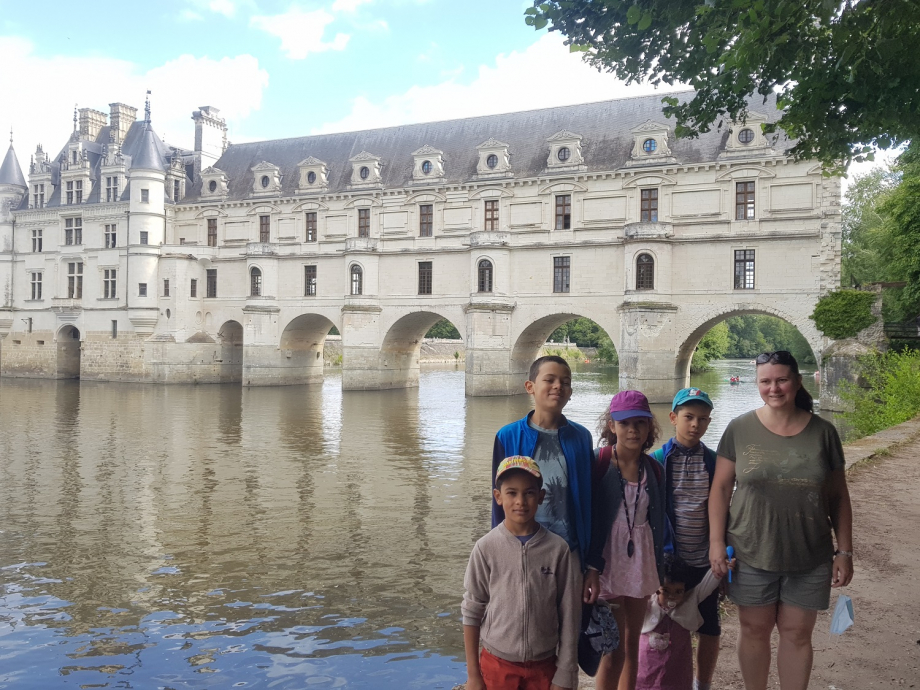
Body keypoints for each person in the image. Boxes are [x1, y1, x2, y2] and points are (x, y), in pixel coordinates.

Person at [709, 350, 854, 690]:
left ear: (797, 382)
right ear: (757, 383)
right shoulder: (739, 428)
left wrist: (844, 552)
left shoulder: (824, 433)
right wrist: (717, 543)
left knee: (797, 635)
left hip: (810, 553)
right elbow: (720, 488)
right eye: (765, 381)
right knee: (754, 631)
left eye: (781, 380)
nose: (773, 388)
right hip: (750, 551)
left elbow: (838, 497)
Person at [463, 456, 581, 690]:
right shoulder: (486, 548)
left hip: (544, 665)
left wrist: (566, 671)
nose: (520, 501)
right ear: (498, 497)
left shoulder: (558, 549)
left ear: (541, 497)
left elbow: (570, 613)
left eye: (528, 493)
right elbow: (472, 610)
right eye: (511, 493)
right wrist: (473, 675)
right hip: (497, 664)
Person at [491, 355, 601, 604]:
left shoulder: (581, 437)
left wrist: (593, 564)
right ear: (530, 387)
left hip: (569, 549)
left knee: (569, 625)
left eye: (565, 382)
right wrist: (498, 551)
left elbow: (589, 501)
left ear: (571, 391)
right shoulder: (508, 436)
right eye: (549, 380)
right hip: (522, 547)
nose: (558, 386)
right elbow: (498, 499)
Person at [592, 390, 668, 690]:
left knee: (632, 644)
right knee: (612, 649)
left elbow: (660, 520)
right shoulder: (598, 464)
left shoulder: (654, 470)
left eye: (640, 422)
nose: (633, 429)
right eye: (625, 423)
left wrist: (663, 570)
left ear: (650, 427)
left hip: (640, 561)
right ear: (612, 426)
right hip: (606, 563)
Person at [650, 388, 722, 690]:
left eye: (703, 419)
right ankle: (659, 679)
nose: (695, 424)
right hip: (670, 562)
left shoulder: (714, 461)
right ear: (673, 418)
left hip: (704, 560)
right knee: (661, 626)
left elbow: (723, 507)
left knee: (710, 627)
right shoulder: (656, 461)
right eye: (689, 417)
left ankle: (701, 684)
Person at [636, 552, 731, 690]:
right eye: (666, 591)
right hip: (644, 677)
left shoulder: (690, 601)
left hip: (677, 677)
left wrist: (723, 566)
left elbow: (709, 582)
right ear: (656, 589)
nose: (672, 597)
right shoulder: (647, 604)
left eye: (678, 592)